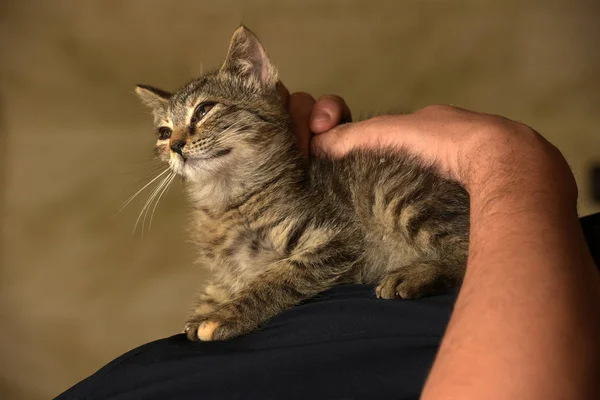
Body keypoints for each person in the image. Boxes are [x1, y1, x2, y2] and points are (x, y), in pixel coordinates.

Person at [56, 90, 600, 400]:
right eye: (165, 131)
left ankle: (451, 257)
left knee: (385, 190)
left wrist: (505, 160)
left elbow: (328, 251)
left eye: (200, 114)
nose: (176, 140)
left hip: (452, 253)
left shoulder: (292, 190)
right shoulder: (219, 224)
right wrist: (506, 158)